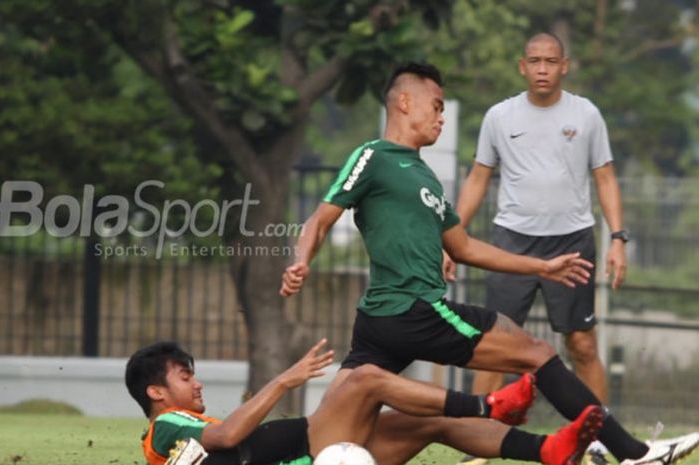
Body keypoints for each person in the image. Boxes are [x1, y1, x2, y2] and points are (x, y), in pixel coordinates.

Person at [279, 61, 699, 465]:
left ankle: (553, 451)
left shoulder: (424, 177)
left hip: (382, 323)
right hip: (413, 310)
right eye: (436, 105)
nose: (441, 117)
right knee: (536, 353)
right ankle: (636, 454)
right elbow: (319, 219)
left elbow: (463, 247)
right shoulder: (373, 156)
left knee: (328, 437)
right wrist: (301, 261)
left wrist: (541, 266)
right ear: (404, 102)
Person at [446, 32, 624, 464]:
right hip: (512, 242)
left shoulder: (586, 115)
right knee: (494, 347)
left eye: (551, 61)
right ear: (521, 66)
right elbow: (477, 178)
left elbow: (604, 178)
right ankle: (479, 447)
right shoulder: (499, 117)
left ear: (565, 65)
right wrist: (451, 239)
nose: (543, 69)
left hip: (573, 240)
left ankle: (597, 438)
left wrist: (618, 238)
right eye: (535, 61)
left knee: (581, 344)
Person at [125, 338, 605, 465]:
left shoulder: (187, 424)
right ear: (156, 393)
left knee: (427, 422)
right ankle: (489, 405)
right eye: (186, 377)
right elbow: (230, 436)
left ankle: (546, 451)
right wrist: (284, 381)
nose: (197, 384)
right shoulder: (164, 428)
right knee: (364, 381)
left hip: (319, 449)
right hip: (313, 452)